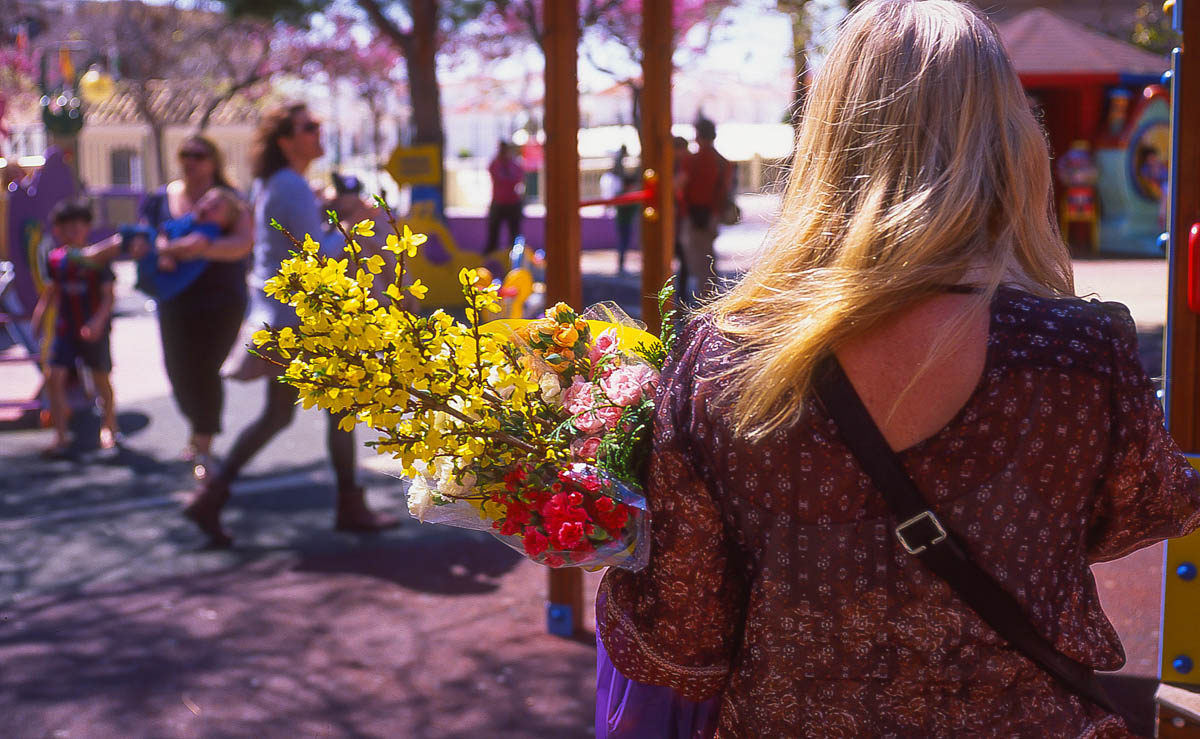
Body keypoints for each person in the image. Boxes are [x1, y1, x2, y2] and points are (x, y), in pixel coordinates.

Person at [596, 2, 1200, 737]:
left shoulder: (722, 360)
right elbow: (1149, 506)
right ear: (1008, 136)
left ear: (828, 137)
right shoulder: (1076, 352)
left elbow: (684, 632)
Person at [183, 102, 397, 548]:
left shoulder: (282, 184)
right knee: (337, 409)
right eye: (309, 127)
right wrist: (356, 221)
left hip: (286, 317)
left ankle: (212, 496)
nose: (318, 132)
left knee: (278, 416)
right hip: (305, 320)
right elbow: (318, 254)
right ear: (286, 140)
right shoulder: (289, 186)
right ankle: (348, 506)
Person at [138, 135, 254, 478]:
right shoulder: (161, 198)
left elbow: (243, 243)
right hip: (174, 298)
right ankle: (197, 427)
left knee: (204, 369)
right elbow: (146, 237)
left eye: (199, 155)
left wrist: (197, 249)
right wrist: (166, 249)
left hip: (220, 300)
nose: (191, 160)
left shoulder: (231, 200)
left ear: (213, 160)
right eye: (185, 154)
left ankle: (203, 444)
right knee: (177, 370)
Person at [30, 199, 120, 456]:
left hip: (93, 330)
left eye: (78, 225)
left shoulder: (97, 259)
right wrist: (39, 317)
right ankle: (61, 436)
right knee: (53, 377)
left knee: (101, 378)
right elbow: (52, 292)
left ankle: (109, 426)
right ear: (57, 230)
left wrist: (97, 322)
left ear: (87, 227)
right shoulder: (56, 260)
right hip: (65, 329)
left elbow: (108, 297)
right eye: (66, 226)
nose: (72, 230)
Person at [679, 117, 732, 301]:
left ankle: (705, 303)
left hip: (692, 215)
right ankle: (710, 299)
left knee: (696, 263)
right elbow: (724, 191)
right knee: (708, 259)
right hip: (712, 215)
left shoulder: (692, 161)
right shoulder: (723, 162)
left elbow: (679, 186)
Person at [484, 141, 525, 255]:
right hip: (498, 202)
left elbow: (517, 179)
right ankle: (491, 257)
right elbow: (498, 179)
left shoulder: (514, 165)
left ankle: (514, 258)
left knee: (514, 235)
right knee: (493, 235)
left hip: (512, 203)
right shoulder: (495, 164)